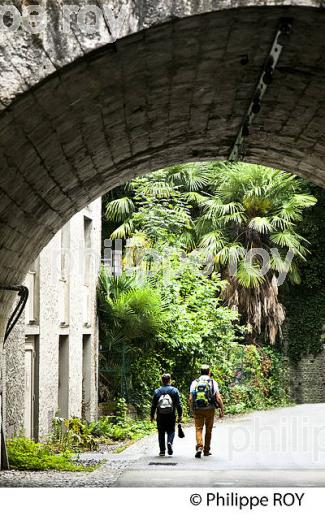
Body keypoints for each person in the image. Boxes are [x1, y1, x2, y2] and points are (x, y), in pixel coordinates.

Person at [189, 364, 224, 458]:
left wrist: (192, 409)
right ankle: (206, 450)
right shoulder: (213, 382)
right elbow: (218, 397)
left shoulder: (195, 382)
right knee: (208, 430)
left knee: (198, 428)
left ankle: (200, 446)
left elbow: (191, 398)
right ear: (209, 372)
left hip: (198, 409)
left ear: (200, 372)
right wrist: (222, 409)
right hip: (210, 409)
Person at [150, 374, 183, 456]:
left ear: (162, 381)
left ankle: (162, 451)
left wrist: (152, 415)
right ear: (170, 380)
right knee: (171, 431)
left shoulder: (157, 391)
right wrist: (180, 415)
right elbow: (179, 404)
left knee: (161, 432)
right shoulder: (174, 390)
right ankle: (169, 442)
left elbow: (153, 405)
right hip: (171, 415)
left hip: (160, 415)